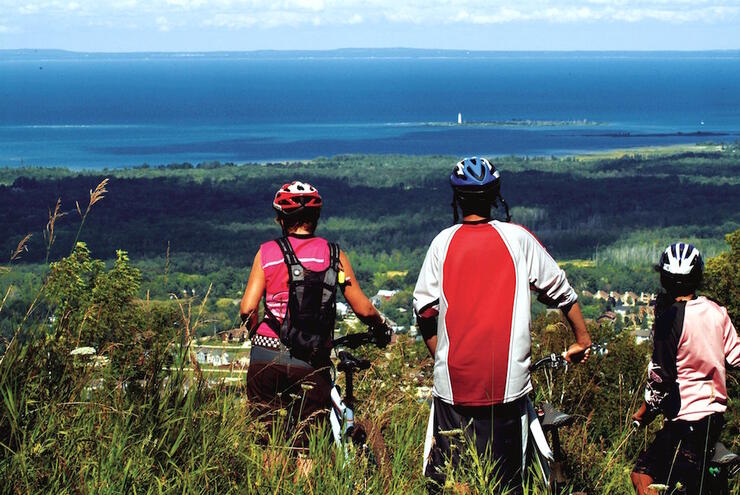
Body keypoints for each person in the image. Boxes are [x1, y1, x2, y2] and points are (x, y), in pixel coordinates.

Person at [413, 157, 592, 493]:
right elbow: (562, 291)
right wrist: (582, 338)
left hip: (454, 384)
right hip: (508, 383)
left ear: (457, 199)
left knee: (453, 479)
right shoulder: (517, 239)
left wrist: (441, 355)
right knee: (507, 481)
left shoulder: (442, 243)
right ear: (495, 196)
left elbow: (423, 310)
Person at [240, 181, 391, 449]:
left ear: (280, 219)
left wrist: (255, 333)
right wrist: (381, 327)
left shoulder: (267, 252)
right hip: (310, 359)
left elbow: (248, 308)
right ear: (317, 218)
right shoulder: (335, 255)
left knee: (268, 444)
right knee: (306, 448)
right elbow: (363, 308)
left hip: (265, 357)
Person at [631, 243, 740, 495]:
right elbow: (735, 357)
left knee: (641, 474)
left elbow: (661, 378)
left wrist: (644, 412)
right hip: (714, 418)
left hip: (684, 419)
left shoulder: (669, 318)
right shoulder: (716, 311)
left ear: (665, 279)